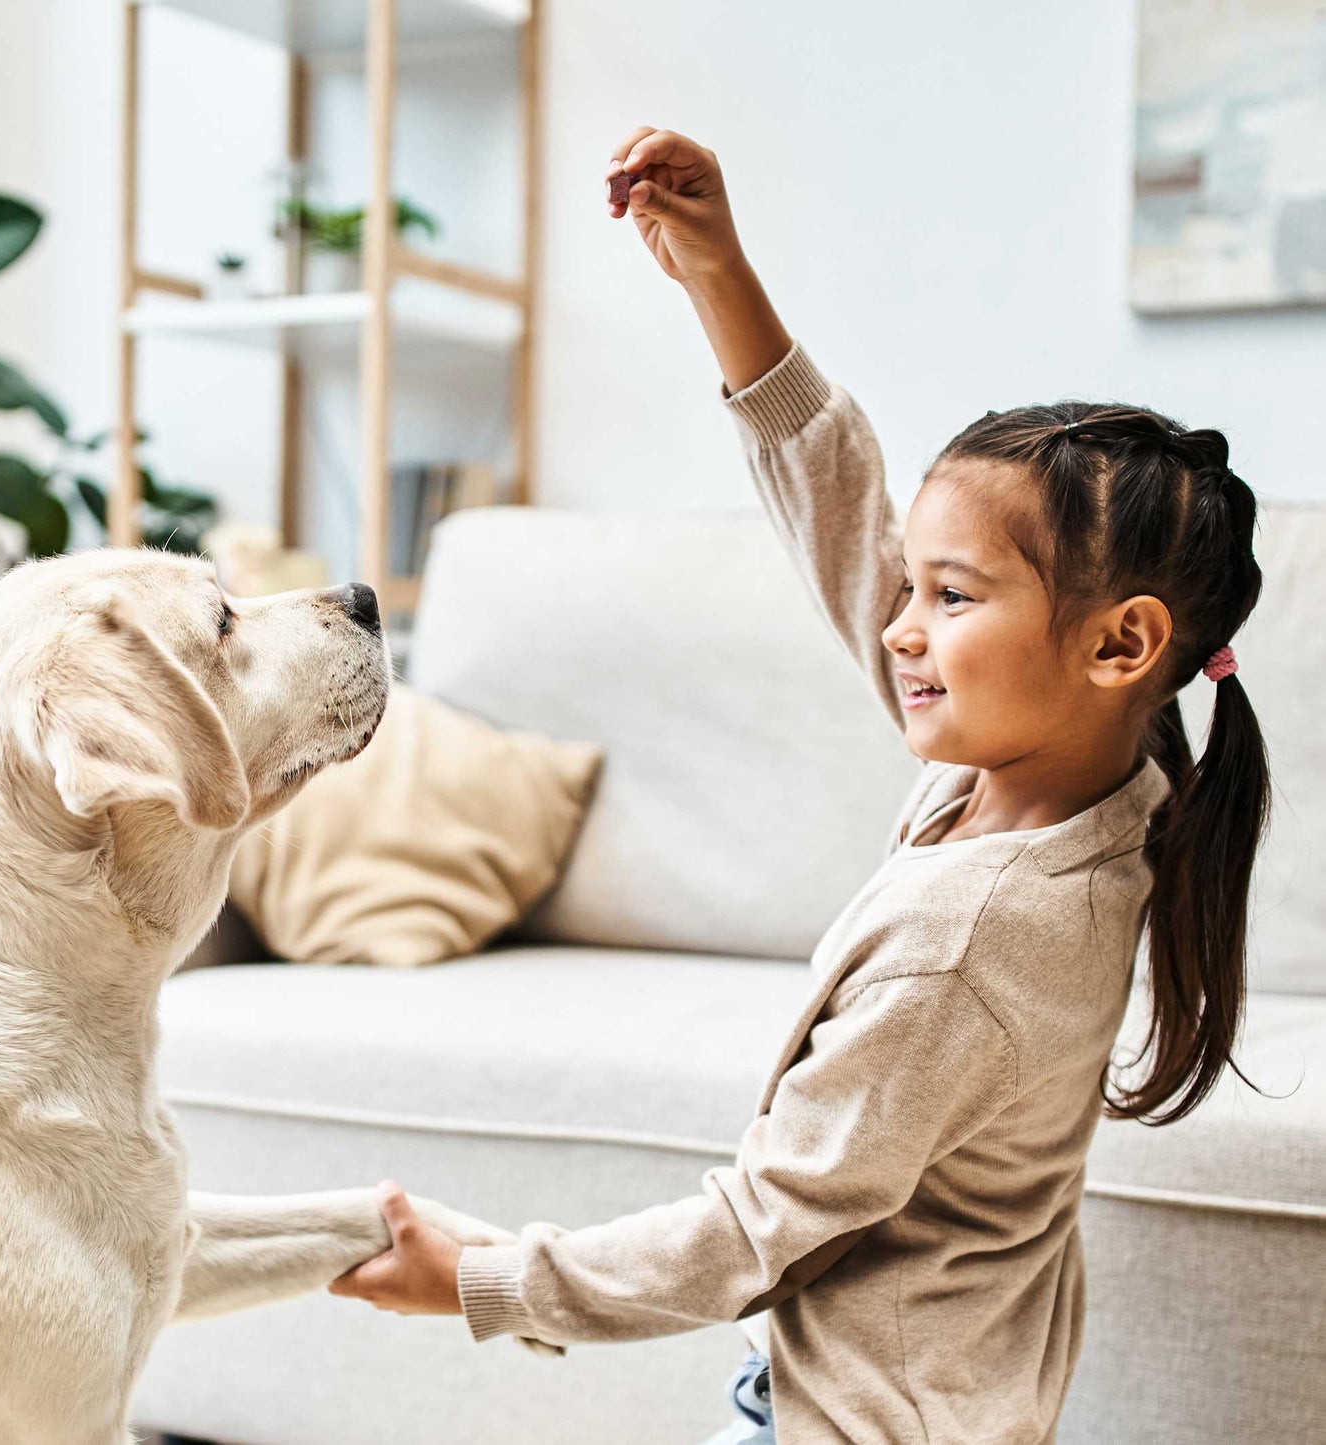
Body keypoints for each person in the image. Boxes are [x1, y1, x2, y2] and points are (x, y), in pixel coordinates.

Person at [328, 127, 1273, 1444]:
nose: (898, 627)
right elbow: (840, 510)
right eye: (915, 585)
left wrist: (480, 1279)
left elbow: (748, 1231)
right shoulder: (1097, 775)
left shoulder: (975, 935)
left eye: (948, 597)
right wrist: (718, 274)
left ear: (1121, 643)